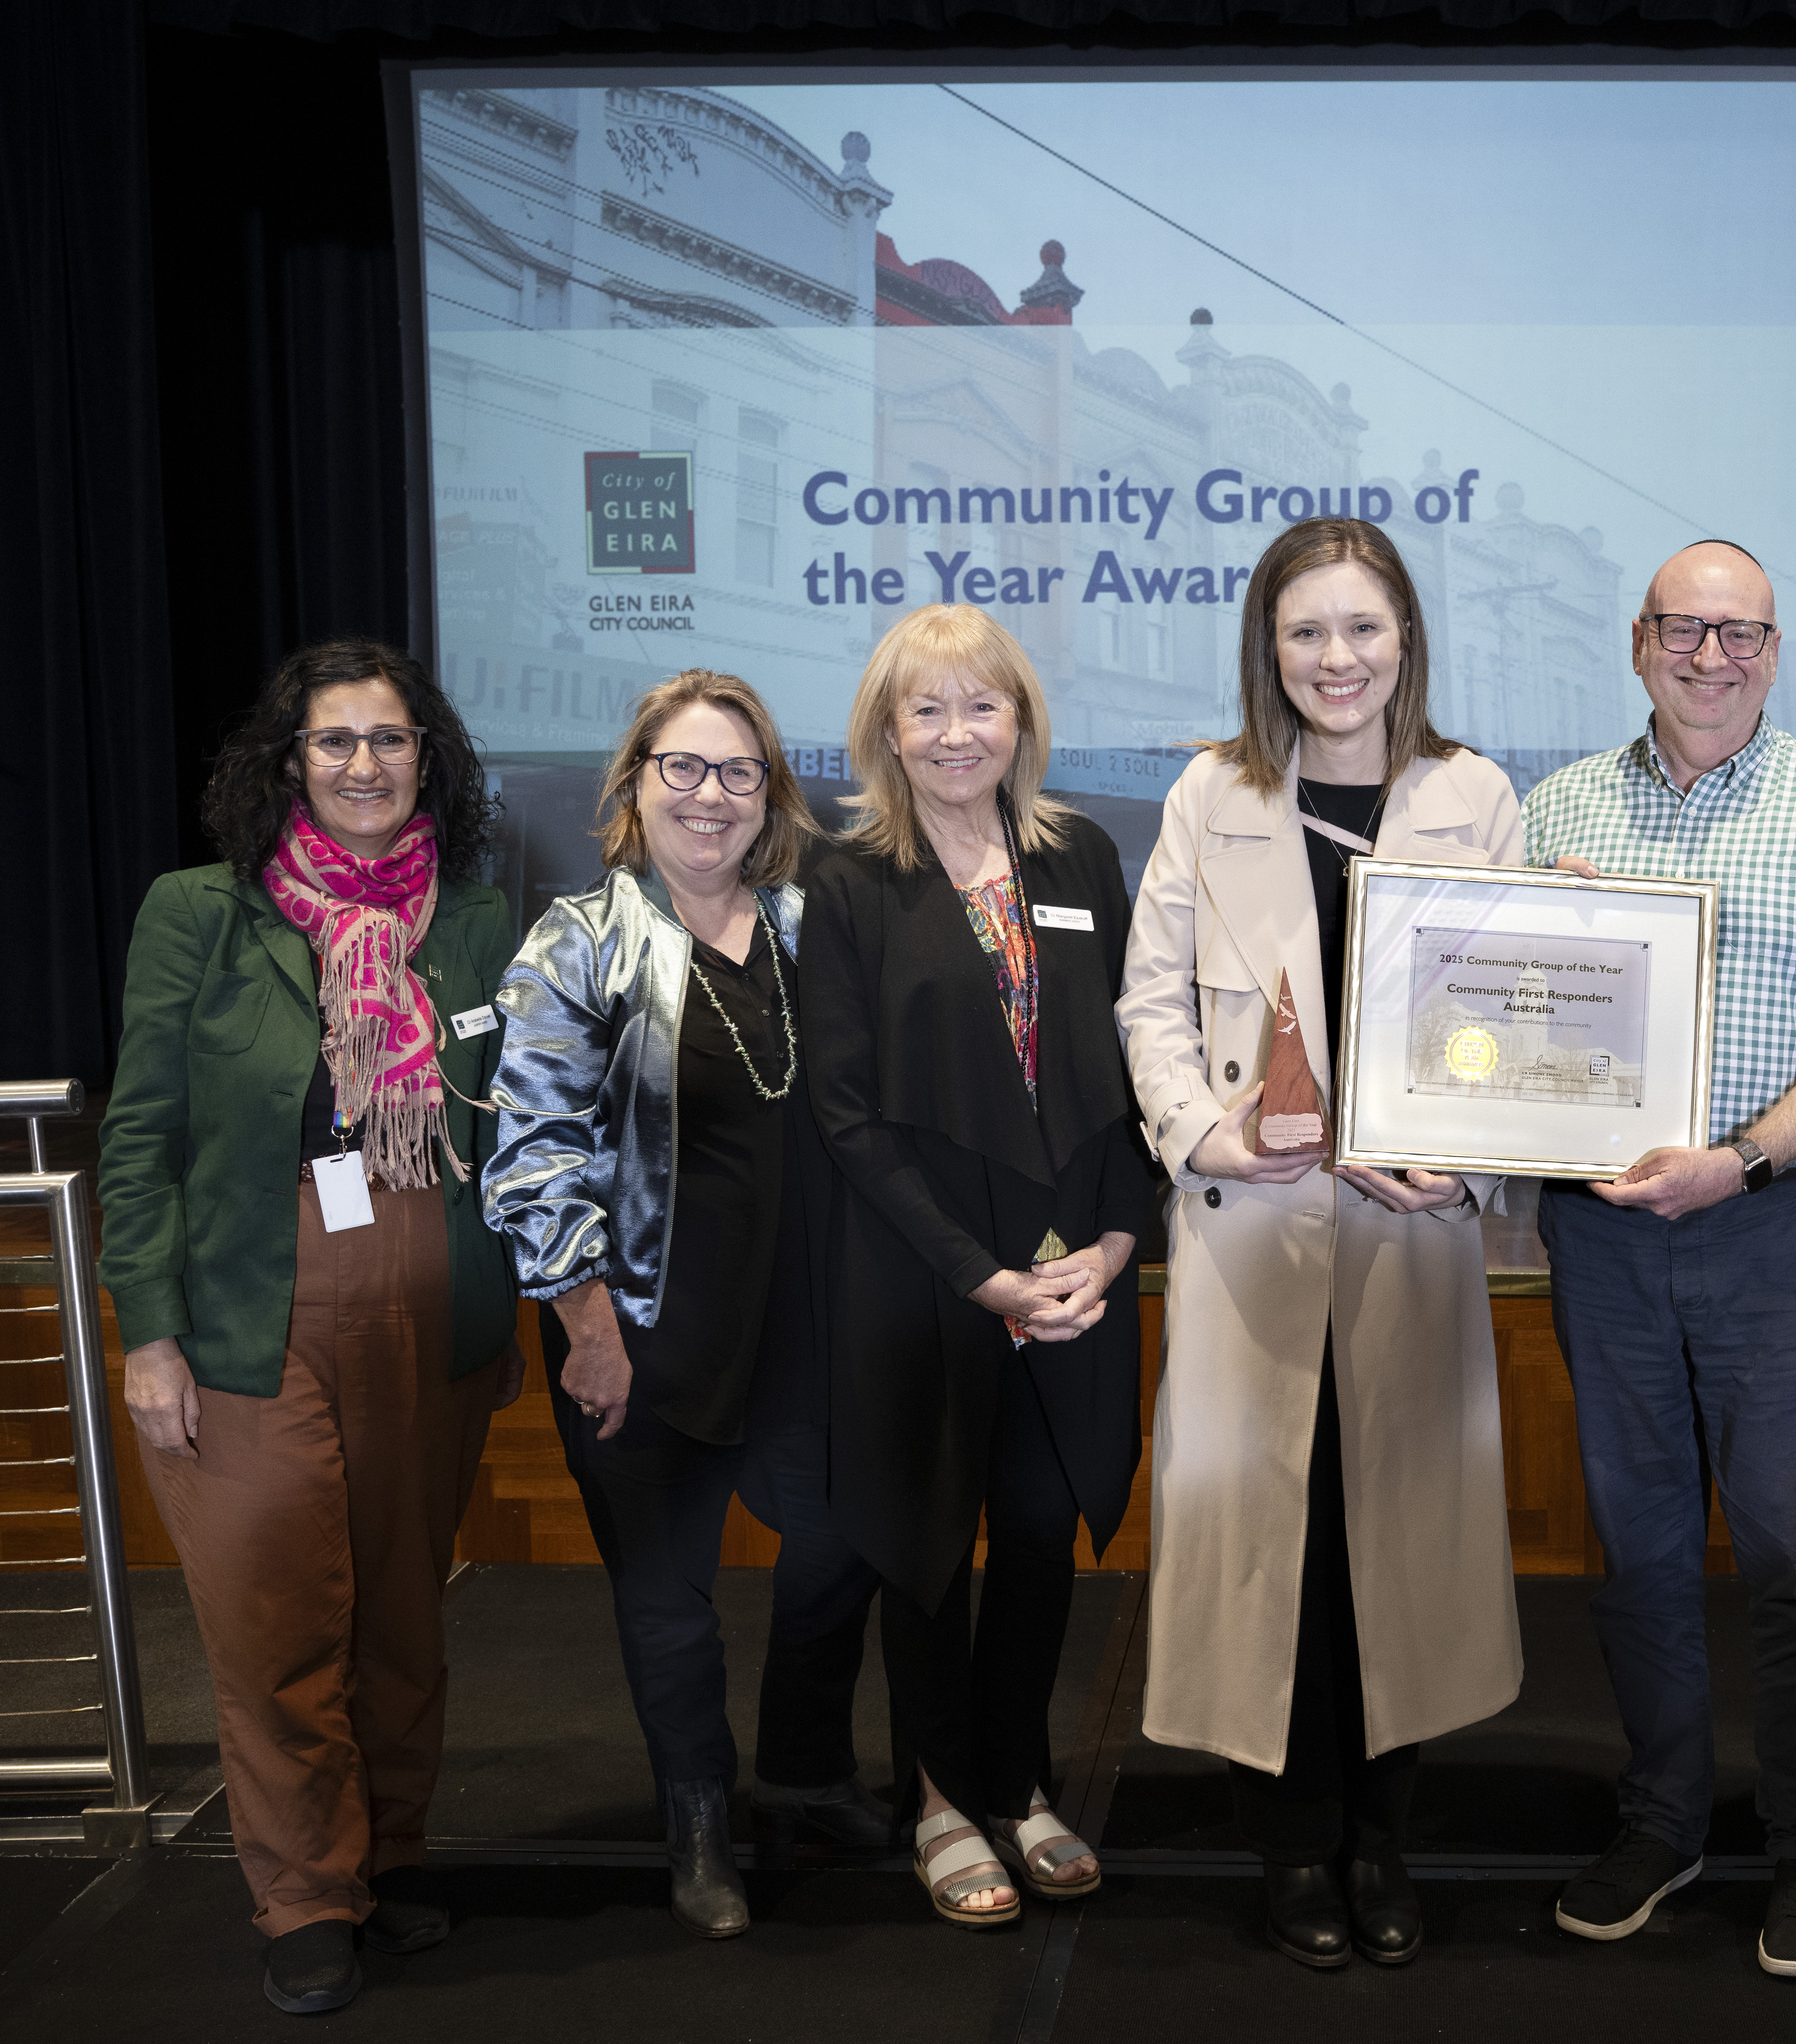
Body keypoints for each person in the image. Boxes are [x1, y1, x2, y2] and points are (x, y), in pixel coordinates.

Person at [1520, 539, 1796, 1979]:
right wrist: (1542, 942)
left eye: (1740, 632)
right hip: (1606, 1234)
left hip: (1774, 1227)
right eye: (1685, 630)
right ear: (1638, 641)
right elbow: (1507, 1020)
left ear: (1773, 649)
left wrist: (1737, 1158)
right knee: (1636, 1552)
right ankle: (1664, 1818)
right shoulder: (1557, 808)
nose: (1712, 656)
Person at [1120, 518, 1524, 1971]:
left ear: (1406, 635)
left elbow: (1513, 1019)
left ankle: (1383, 1841)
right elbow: (1149, 1004)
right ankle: (1293, 1848)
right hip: (1254, 1232)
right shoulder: (1207, 793)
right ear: (1266, 647)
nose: (1336, 658)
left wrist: (1461, 1158)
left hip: (1412, 1236)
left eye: (1362, 627)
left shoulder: (1473, 792)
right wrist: (1208, 1135)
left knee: (1396, 1548)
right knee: (1268, 1553)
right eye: (1306, 631)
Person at [99, 638, 522, 2017]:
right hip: (243, 1290)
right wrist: (147, 1328)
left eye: (389, 739)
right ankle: (301, 1888)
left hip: (429, 1279)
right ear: (289, 762)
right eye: (334, 742)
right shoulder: (198, 911)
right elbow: (143, 1130)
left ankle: (388, 1857)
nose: (363, 764)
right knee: (276, 1603)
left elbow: (527, 1120)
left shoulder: (473, 916)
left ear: (427, 756)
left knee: (405, 1606)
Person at [481, 668, 879, 1941]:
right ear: (636, 783)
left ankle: (806, 1772)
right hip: (644, 1332)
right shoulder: (578, 938)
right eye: (684, 768)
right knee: (667, 1596)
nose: (711, 796)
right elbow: (531, 1153)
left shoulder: (819, 928)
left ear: (772, 795)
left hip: (803, 1329)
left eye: (739, 771)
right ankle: (699, 1815)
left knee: (840, 1546)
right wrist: (587, 1328)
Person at [803, 605, 1151, 1930]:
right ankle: (942, 1793)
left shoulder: (1083, 853)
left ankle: (1018, 1778)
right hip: (923, 1271)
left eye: (982, 706)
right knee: (932, 1540)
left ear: (1022, 720)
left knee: (1044, 1532)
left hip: (1077, 1261)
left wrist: (1117, 1242)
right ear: (887, 732)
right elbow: (843, 1113)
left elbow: (1134, 1065)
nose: (957, 735)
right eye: (926, 710)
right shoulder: (847, 880)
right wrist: (978, 1276)